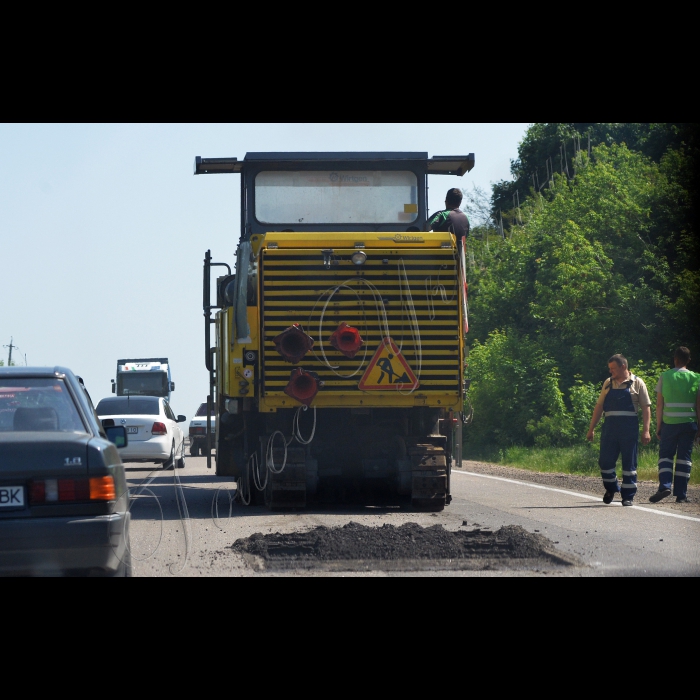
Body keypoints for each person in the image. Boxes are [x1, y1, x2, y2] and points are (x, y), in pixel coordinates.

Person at [586, 354, 652, 506]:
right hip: (610, 429)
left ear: (623, 367)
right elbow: (599, 407)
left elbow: (646, 408)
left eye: (613, 368)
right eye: (609, 369)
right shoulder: (608, 383)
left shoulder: (637, 383)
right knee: (605, 462)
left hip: (629, 429)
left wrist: (646, 430)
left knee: (629, 464)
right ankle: (611, 488)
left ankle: (627, 496)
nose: (610, 372)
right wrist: (592, 429)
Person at [649, 346, 700, 504]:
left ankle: (664, 485)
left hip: (670, 424)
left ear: (675, 359)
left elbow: (659, 405)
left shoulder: (665, 376)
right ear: (689, 361)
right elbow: (698, 406)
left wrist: (659, 427)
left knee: (665, 456)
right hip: (689, 424)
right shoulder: (696, 377)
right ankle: (681, 494)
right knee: (684, 458)